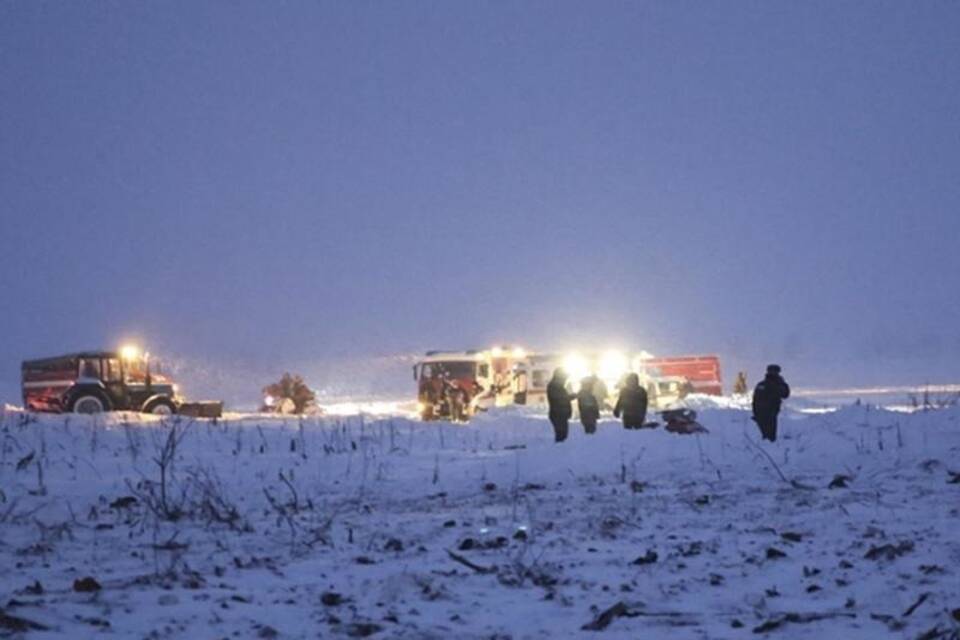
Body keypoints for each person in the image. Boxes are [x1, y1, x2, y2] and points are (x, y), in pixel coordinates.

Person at [752, 364, 790, 442]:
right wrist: (782, 383)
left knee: (765, 436)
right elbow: (785, 394)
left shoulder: (761, 384)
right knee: (770, 438)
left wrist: (755, 413)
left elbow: (755, 400)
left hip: (761, 413)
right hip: (770, 413)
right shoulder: (775, 385)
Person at [546, 368, 576, 442]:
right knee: (561, 436)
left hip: (560, 415)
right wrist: (572, 396)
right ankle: (558, 451)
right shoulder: (555, 386)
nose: (565, 380)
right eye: (564, 378)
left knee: (562, 436)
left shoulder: (558, 386)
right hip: (558, 415)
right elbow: (560, 399)